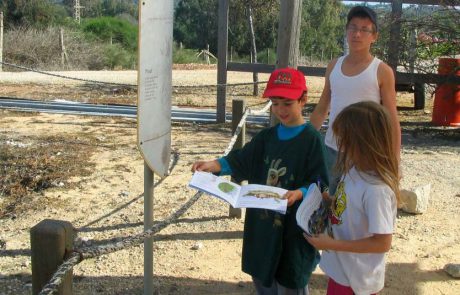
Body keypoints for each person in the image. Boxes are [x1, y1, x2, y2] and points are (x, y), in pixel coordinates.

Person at [192, 67, 329, 294]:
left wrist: (300, 193)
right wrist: (214, 165)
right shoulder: (266, 137)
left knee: (289, 281)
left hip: (292, 233)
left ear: (303, 99)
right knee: (263, 279)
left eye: (287, 103)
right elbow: (241, 160)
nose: (281, 110)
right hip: (263, 227)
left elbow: (320, 181)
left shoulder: (311, 140)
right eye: (275, 103)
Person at [305, 101, 400, 295]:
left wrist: (332, 245)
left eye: (345, 140)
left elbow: (382, 242)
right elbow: (347, 204)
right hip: (341, 270)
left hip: (358, 280)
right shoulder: (353, 170)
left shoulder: (377, 190)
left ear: (364, 143)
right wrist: (324, 199)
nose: (340, 145)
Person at [309, 5, 401, 196]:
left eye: (364, 29)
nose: (357, 34)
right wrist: (303, 140)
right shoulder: (333, 65)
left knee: (357, 207)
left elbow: (391, 118)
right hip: (332, 149)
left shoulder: (382, 71)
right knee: (326, 203)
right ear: (346, 30)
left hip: (366, 153)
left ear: (374, 36)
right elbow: (322, 108)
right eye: (353, 27)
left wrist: (395, 160)